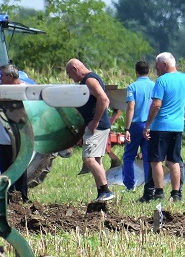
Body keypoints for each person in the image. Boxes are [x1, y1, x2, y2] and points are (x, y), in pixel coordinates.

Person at [144, 51, 185, 202]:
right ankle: (176, 194)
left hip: (161, 125)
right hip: (177, 126)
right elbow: (183, 103)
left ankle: (159, 192)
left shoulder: (162, 81)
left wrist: (148, 124)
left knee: (155, 160)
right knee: (173, 160)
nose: (156, 70)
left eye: (157, 66)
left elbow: (156, 104)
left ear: (164, 65)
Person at [65, 58, 114, 203]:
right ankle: (101, 192)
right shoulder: (89, 79)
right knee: (96, 159)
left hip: (96, 126)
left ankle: (106, 190)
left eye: (69, 73)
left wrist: (95, 121)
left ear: (75, 69)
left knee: (88, 159)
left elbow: (104, 99)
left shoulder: (89, 80)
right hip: (97, 125)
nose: (70, 77)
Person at [0, 64, 30, 203]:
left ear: (10, 76)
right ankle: (8, 197)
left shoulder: (26, 90)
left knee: (20, 166)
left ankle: (22, 197)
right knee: (5, 168)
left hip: (20, 136)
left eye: (2, 75)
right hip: (3, 137)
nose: (0, 78)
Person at [121, 60, 154, 193]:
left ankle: (129, 185)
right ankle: (148, 184)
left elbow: (131, 108)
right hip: (150, 124)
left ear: (136, 71)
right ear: (149, 71)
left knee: (129, 156)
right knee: (147, 157)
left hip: (136, 125)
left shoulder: (132, 87)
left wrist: (127, 129)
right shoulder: (155, 85)